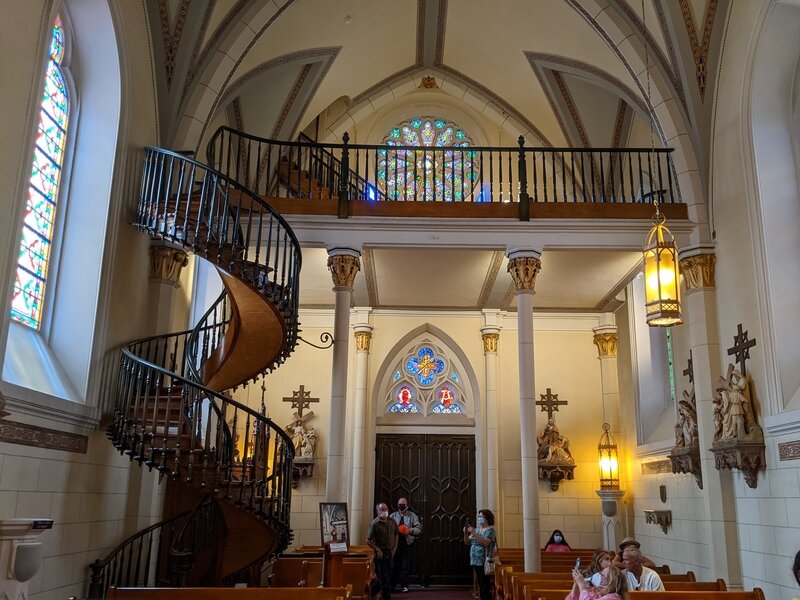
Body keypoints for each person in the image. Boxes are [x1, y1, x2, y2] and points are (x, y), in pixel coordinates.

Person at [390, 497, 422, 593]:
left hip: (407, 544)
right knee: (394, 566)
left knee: (405, 566)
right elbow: (388, 528)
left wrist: (409, 530)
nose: (401, 506)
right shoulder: (393, 516)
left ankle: (405, 586)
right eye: (400, 504)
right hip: (395, 544)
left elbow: (418, 529)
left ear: (407, 506)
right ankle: (392, 585)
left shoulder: (412, 516)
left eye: (403, 505)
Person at [463, 508, 496, 600]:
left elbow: (485, 543)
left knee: (485, 584)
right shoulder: (477, 529)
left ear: (487, 518)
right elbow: (467, 542)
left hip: (484, 560)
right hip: (475, 560)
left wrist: (473, 532)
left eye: (481, 516)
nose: (479, 518)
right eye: (479, 516)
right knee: (480, 584)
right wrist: (465, 533)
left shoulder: (490, 530)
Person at [367, 502, 398, 600]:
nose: (385, 511)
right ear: (378, 511)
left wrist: (395, 548)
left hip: (391, 553)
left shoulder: (392, 521)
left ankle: (379, 593)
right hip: (381, 555)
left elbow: (396, 534)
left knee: (389, 575)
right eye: (382, 510)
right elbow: (368, 540)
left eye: (386, 509)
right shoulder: (375, 523)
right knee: (382, 577)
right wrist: (377, 549)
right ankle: (382, 595)